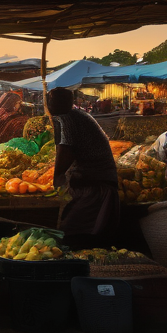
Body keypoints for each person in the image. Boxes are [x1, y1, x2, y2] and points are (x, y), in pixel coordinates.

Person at [47, 87, 120, 249]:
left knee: (75, 233)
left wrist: (56, 180)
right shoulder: (74, 116)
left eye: (54, 101)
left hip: (97, 186)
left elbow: (65, 152)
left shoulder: (67, 119)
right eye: (50, 100)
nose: (51, 105)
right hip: (94, 182)